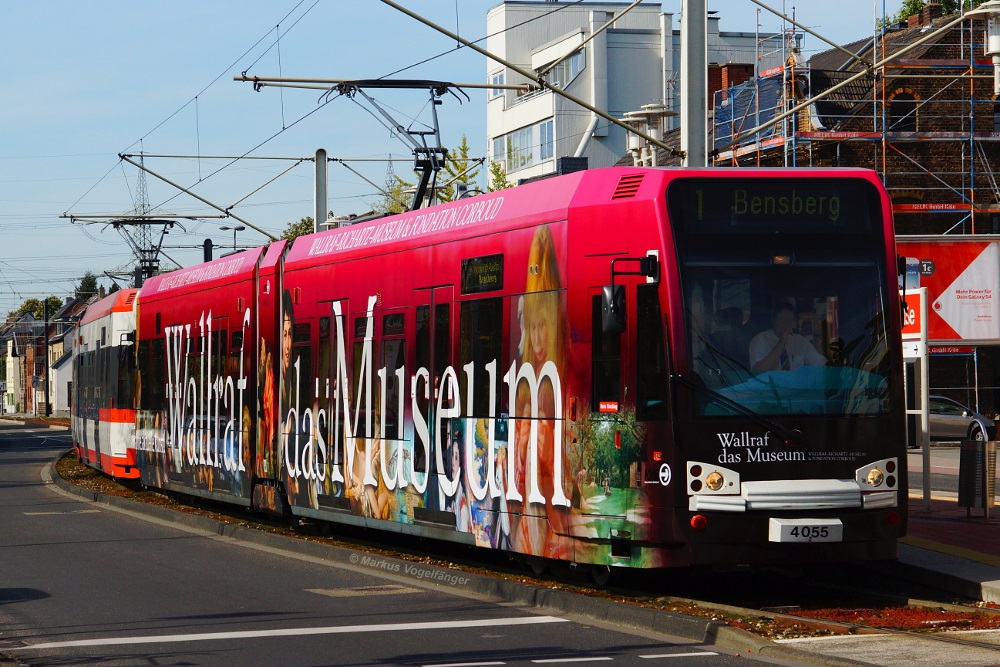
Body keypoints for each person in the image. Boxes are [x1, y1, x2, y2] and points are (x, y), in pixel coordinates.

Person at [749, 303, 826, 373]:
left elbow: (820, 364)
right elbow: (758, 371)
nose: (786, 324)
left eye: (790, 320)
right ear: (774, 320)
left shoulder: (801, 342)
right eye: (783, 320)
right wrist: (782, 343)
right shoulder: (760, 340)